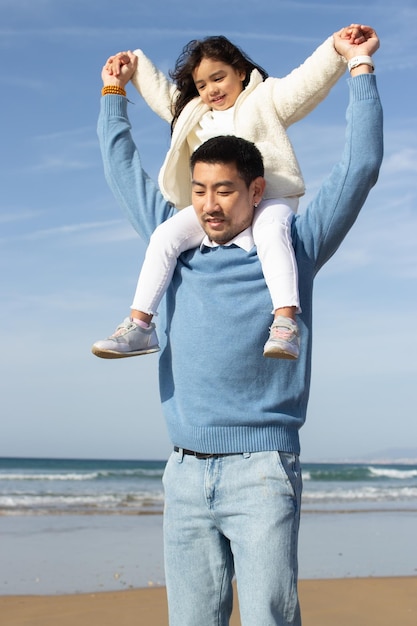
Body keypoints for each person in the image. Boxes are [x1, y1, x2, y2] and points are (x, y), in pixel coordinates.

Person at [96, 24, 382, 626]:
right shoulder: (174, 246)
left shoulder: (294, 245)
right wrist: (112, 98)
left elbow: (359, 168)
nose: (209, 204)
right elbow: (124, 172)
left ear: (255, 190)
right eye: (199, 191)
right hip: (183, 472)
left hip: (263, 471)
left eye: (224, 190)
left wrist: (358, 71)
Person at [92, 29, 357, 361]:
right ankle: (141, 325)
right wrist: (134, 65)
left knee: (271, 233)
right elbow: (163, 96)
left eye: (218, 78)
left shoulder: (267, 100)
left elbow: (306, 82)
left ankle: (286, 323)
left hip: (272, 198)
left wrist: (336, 49)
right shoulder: (192, 114)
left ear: (241, 72)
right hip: (216, 207)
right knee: (164, 236)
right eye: (202, 85)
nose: (211, 90)